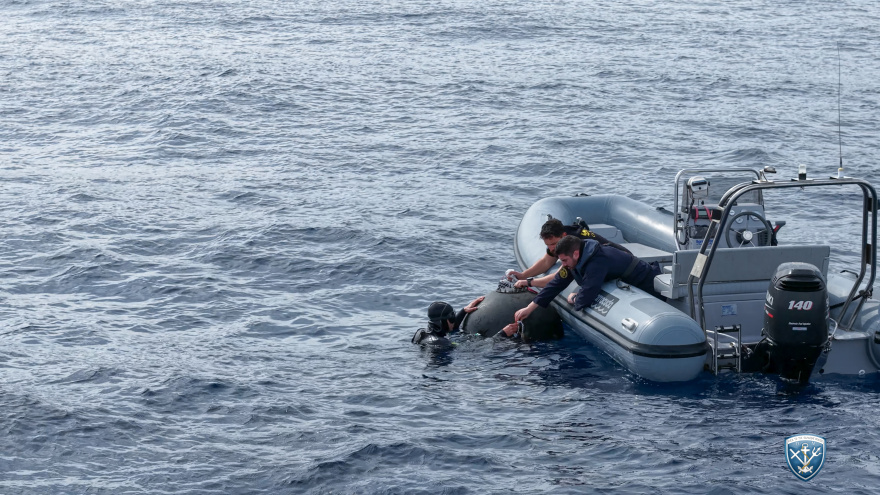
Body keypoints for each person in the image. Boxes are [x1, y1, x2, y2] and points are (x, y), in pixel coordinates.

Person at [513, 235, 662, 322]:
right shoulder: (574, 260)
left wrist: (574, 298)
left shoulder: (596, 263)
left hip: (645, 281)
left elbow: (587, 296)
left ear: (576, 254)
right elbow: (556, 283)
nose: (563, 265)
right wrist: (529, 308)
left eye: (564, 260)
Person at [509, 218, 630, 289]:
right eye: (548, 245)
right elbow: (546, 262)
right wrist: (522, 275)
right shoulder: (560, 236)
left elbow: (558, 276)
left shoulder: (574, 246)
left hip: (621, 260)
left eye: (554, 244)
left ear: (564, 236)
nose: (552, 249)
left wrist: (529, 282)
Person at [412, 296, 485, 345]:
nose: (453, 322)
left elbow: (449, 326)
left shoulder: (420, 332)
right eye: (452, 319)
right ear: (443, 322)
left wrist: (463, 311)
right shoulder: (442, 343)